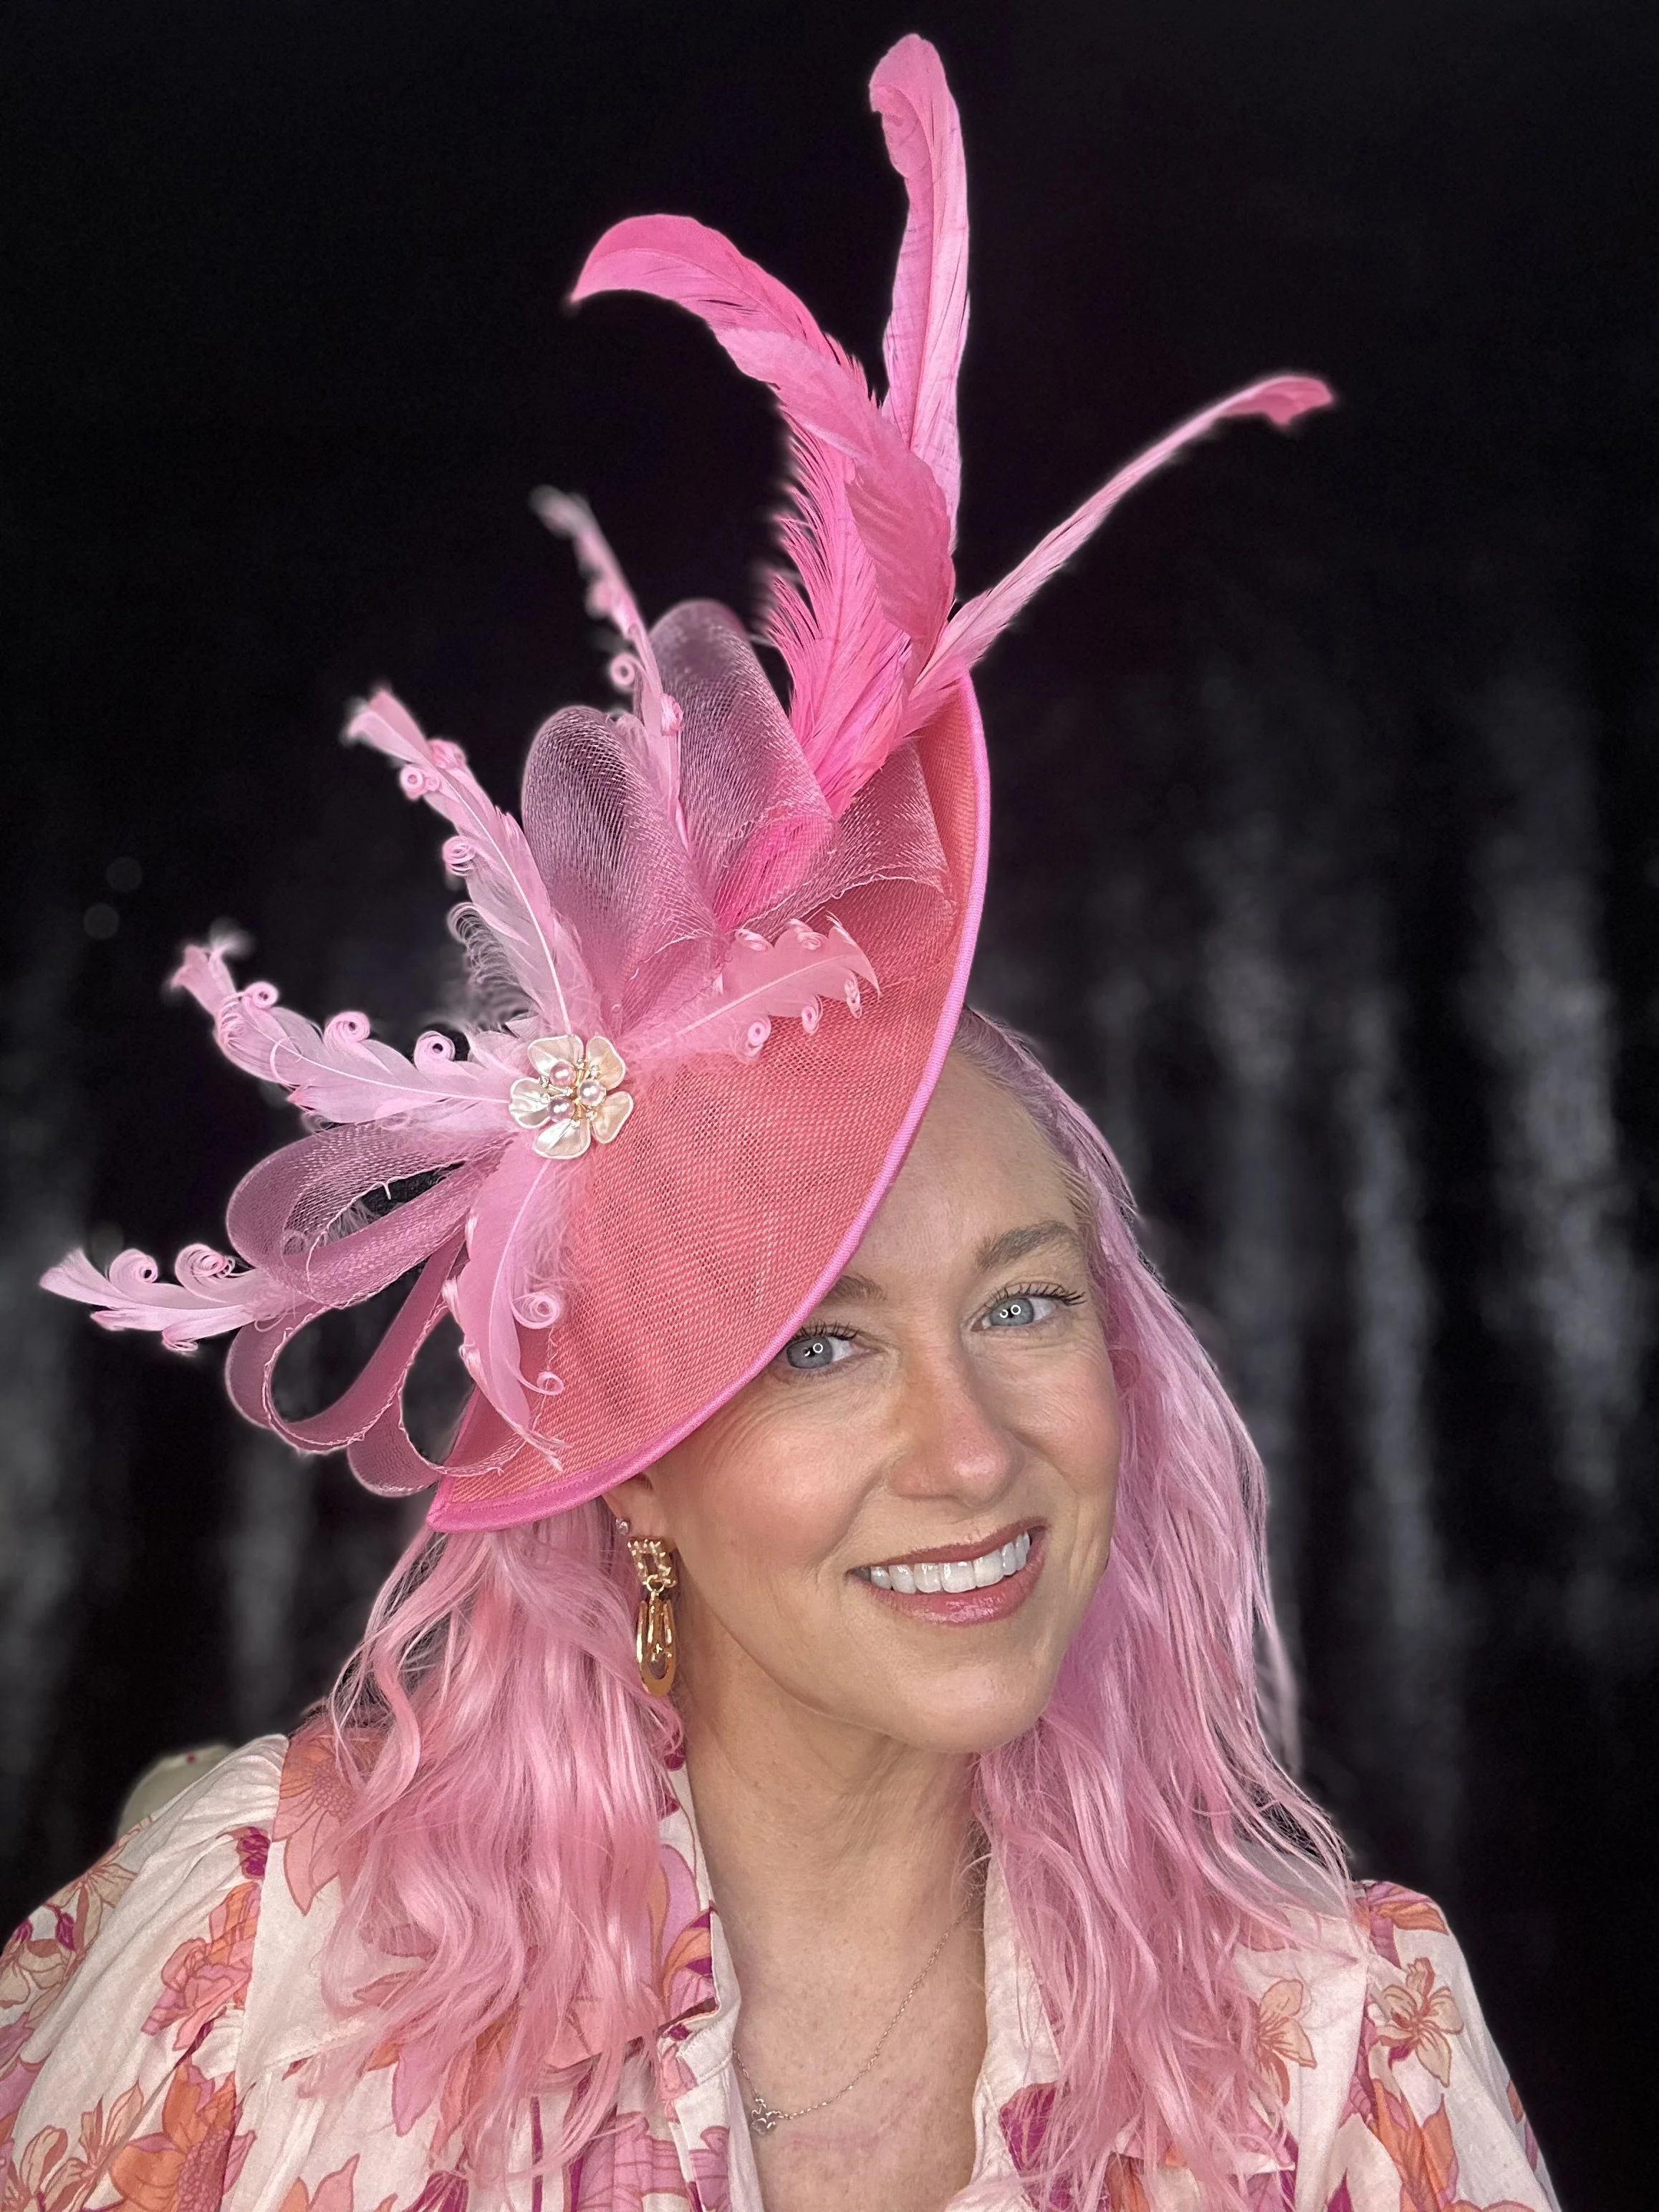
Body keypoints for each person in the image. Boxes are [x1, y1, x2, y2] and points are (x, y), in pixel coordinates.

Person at [6, 35, 1556, 2212]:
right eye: (823, 1341)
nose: (969, 1449)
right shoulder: (264, 1956)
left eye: (1027, 1310)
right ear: (630, 1465)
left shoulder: (1331, 2048)